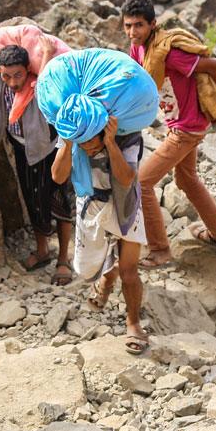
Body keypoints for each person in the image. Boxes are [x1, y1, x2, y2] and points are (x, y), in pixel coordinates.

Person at [0, 32, 75, 285]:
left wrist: (48, 54)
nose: (12, 82)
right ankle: (42, 251)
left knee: (59, 199)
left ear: (28, 69)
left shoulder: (39, 81)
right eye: (6, 75)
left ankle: (63, 259)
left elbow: (50, 84)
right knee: (32, 199)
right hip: (21, 149)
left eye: (18, 75)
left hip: (49, 149)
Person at [120, 0, 216, 268]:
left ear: (153, 24)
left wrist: (207, 99)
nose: (132, 31)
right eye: (128, 25)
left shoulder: (169, 52)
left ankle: (160, 250)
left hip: (187, 129)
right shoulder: (138, 48)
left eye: (138, 25)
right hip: (177, 124)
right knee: (187, 180)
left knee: (142, 184)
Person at [51, 116, 149, 355]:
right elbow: (58, 176)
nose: (89, 149)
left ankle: (133, 324)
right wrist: (67, 144)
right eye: (84, 144)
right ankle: (107, 275)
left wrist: (111, 143)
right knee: (86, 269)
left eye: (94, 144)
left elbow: (126, 178)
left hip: (125, 203)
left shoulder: (128, 139)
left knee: (129, 270)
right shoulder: (74, 136)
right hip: (91, 203)